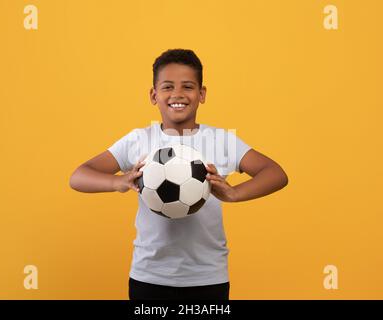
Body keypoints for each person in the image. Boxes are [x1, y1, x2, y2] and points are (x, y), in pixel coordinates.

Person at [69, 49, 289, 300]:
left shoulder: (220, 140)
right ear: (153, 95)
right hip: (149, 275)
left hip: (208, 276)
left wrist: (234, 193)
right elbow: (78, 176)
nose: (177, 94)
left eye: (187, 86)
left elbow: (275, 173)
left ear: (201, 94)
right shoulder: (140, 140)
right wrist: (117, 181)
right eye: (167, 87)